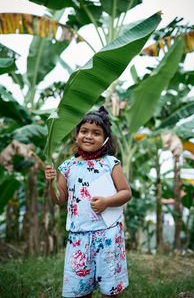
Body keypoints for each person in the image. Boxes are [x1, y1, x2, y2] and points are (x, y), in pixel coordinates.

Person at [45, 106, 132, 298]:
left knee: (109, 288)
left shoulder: (110, 163)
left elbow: (126, 192)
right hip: (79, 236)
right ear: (76, 134)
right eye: (84, 131)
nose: (89, 136)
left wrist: (107, 202)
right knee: (79, 289)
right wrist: (50, 183)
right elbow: (60, 199)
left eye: (96, 133)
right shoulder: (67, 166)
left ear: (105, 139)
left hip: (108, 235)